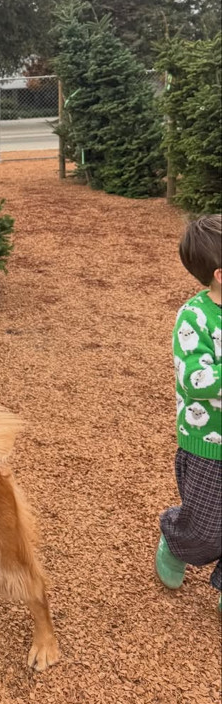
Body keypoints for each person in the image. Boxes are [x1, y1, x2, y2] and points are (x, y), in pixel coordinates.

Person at [155, 214, 221, 610]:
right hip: (208, 442)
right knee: (210, 525)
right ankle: (176, 539)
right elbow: (194, 378)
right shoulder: (194, 318)